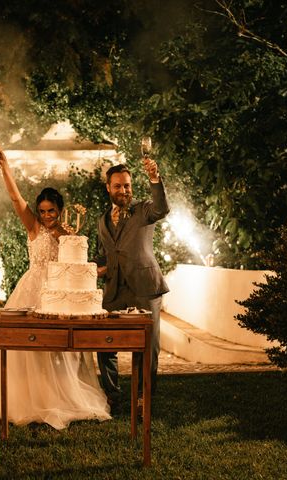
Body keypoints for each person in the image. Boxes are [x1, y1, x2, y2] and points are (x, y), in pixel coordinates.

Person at [0, 139, 110, 430]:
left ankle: (58, 397)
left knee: (58, 350)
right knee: (26, 350)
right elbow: (14, 196)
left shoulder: (67, 232)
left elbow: (77, 262)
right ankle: (27, 400)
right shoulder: (32, 226)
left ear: (59, 210)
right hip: (31, 289)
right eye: (42, 211)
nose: (46, 216)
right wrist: (4, 165)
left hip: (59, 294)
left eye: (51, 211)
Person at [95, 158, 170, 415]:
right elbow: (105, 255)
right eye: (118, 186)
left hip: (145, 287)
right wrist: (93, 268)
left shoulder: (144, 211)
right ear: (108, 188)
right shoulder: (101, 220)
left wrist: (155, 178)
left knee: (148, 347)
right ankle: (112, 397)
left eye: (127, 186)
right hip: (114, 291)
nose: (124, 191)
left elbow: (162, 208)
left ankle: (142, 398)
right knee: (104, 346)